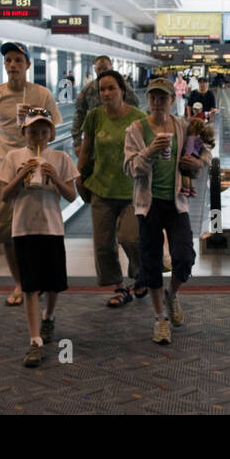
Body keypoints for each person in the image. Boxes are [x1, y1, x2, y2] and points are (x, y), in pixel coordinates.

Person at [124, 78, 211, 345]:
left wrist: (196, 162)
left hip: (176, 203)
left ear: (172, 100)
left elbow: (205, 154)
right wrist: (150, 151)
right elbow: (129, 168)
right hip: (148, 205)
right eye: (153, 98)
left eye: (163, 98)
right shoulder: (136, 130)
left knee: (184, 257)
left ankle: (171, 295)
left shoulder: (182, 127)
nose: (158, 103)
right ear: (148, 101)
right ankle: (160, 318)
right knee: (150, 264)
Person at [0, 42, 62, 308]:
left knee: (36, 229)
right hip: (4, 169)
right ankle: (20, 282)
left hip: (35, 170)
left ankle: (36, 279)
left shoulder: (42, 94)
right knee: (3, 231)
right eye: (8, 61)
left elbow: (55, 131)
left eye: (17, 60)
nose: (12, 65)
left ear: (27, 64)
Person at [0, 109, 77, 367]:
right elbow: (5, 195)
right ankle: (34, 341)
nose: (38, 137)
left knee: (53, 284)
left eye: (44, 132)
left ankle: (49, 317)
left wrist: (54, 177)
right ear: (24, 133)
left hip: (52, 228)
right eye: (33, 132)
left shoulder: (61, 157)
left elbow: (71, 195)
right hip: (23, 229)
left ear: (51, 134)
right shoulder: (13, 157)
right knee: (30, 286)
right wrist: (21, 174)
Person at [77, 69, 147, 307]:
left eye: (111, 88)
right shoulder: (95, 116)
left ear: (122, 91)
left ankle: (140, 276)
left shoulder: (138, 117)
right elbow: (86, 149)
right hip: (101, 188)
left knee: (130, 238)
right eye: (102, 89)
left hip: (131, 190)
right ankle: (119, 287)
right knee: (103, 245)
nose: (106, 93)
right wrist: (80, 176)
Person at [73, 55, 139, 153]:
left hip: (119, 136)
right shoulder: (88, 89)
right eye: (99, 69)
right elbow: (79, 115)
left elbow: (135, 105)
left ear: (111, 68)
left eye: (105, 69)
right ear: (95, 69)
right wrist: (77, 142)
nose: (102, 72)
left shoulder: (121, 86)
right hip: (95, 137)